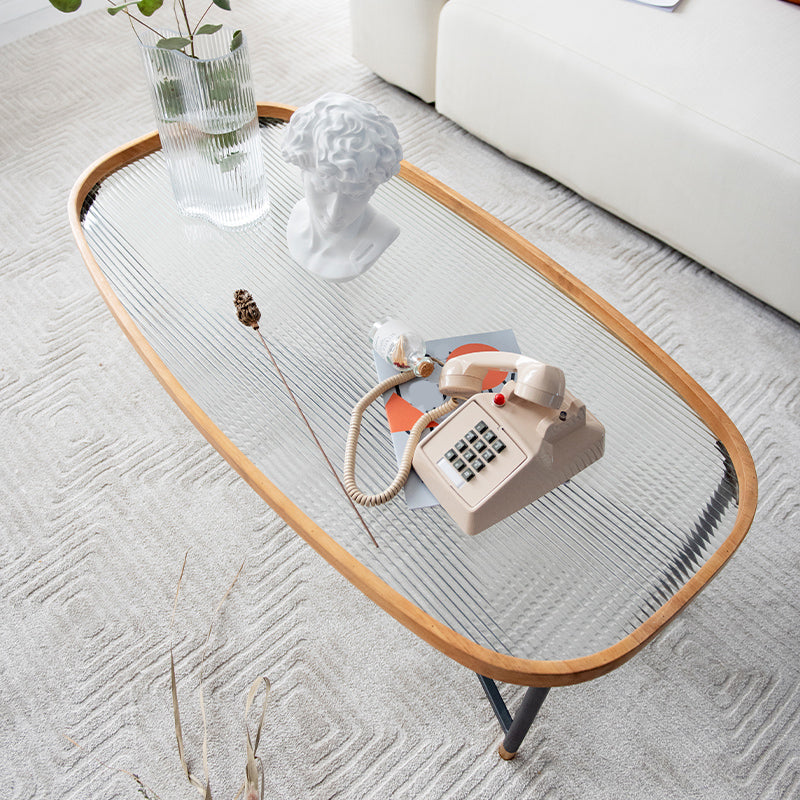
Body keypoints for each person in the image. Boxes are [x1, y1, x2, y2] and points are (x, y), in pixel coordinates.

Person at [281, 92, 403, 282]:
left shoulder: (380, 235)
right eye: (323, 189)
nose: (334, 212)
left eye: (355, 195)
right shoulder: (297, 222)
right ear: (302, 170)